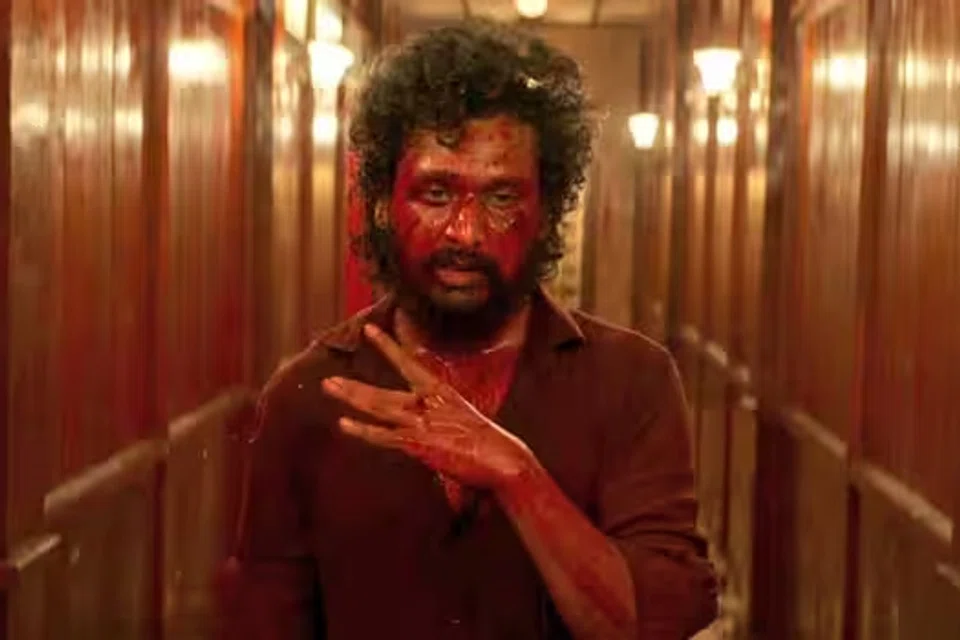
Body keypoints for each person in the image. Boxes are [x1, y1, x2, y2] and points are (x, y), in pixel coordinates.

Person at [223, 18, 717, 640]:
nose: (466, 232)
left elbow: (656, 622)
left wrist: (517, 475)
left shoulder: (632, 381)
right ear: (382, 202)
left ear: (547, 212)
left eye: (502, 198)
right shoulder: (308, 397)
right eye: (435, 193)